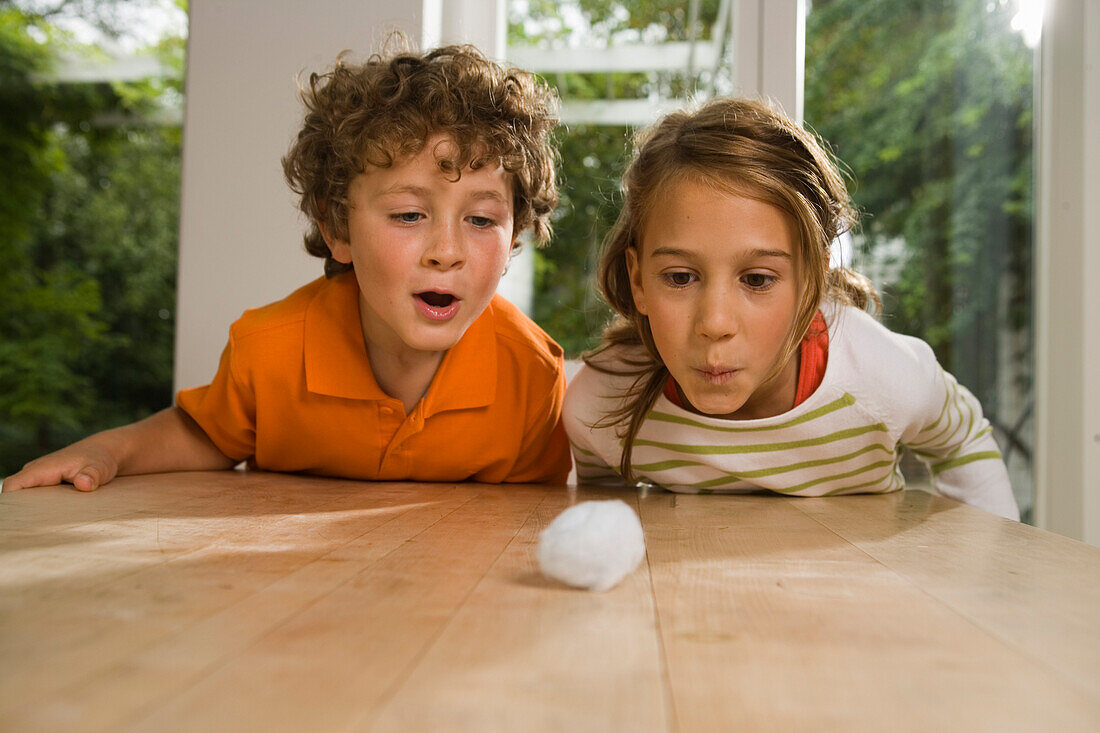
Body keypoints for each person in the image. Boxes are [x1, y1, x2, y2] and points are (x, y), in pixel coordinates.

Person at [3, 41, 571, 492]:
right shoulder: (267, 348)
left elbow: (528, 516)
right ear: (337, 229)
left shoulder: (532, 374)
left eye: (480, 220)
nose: (446, 250)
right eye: (407, 214)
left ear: (515, 234)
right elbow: (207, 436)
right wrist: (108, 451)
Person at [564, 97, 1019, 520]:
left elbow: (963, 440)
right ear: (639, 279)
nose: (715, 324)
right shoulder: (602, 406)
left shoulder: (883, 376)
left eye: (757, 279)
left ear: (811, 282)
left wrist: (987, 576)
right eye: (680, 278)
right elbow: (604, 507)